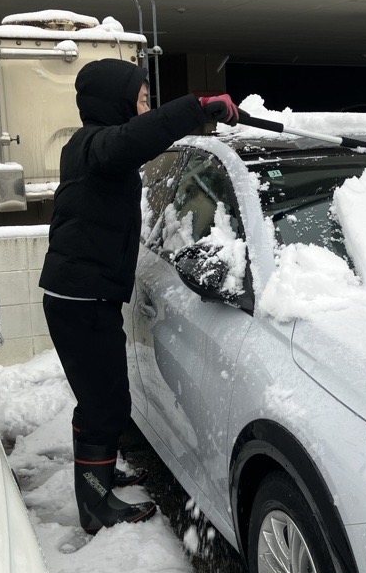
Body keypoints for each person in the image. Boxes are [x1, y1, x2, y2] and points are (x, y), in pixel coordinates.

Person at [40, 58, 239, 534]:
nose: (146, 103)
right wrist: (197, 106)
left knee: (108, 398)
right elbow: (135, 139)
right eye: (143, 95)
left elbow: (136, 140)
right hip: (79, 300)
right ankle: (94, 507)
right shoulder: (99, 146)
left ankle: (100, 477)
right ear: (116, 98)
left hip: (83, 296)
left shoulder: (87, 145)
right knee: (103, 404)